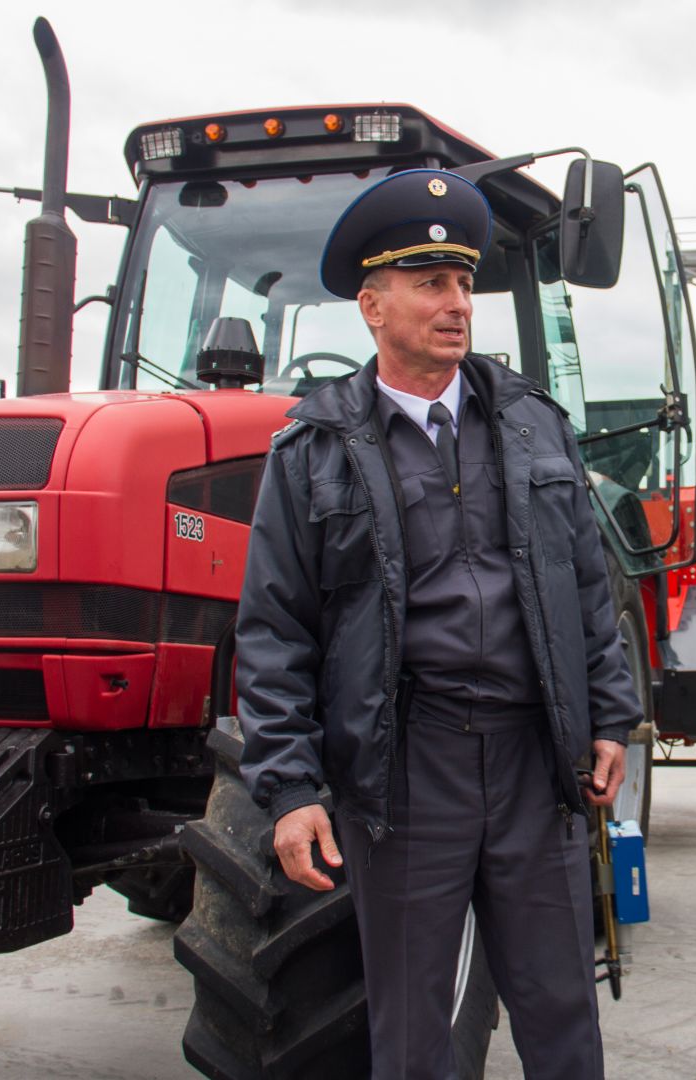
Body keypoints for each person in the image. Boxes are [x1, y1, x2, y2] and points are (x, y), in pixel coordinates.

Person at [235, 168, 642, 1080]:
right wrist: (291, 787)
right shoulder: (314, 451)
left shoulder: (535, 425)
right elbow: (275, 629)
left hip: (536, 760)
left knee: (561, 1012)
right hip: (407, 769)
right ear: (372, 307)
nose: (457, 304)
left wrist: (611, 717)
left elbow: (585, 582)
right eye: (430, 284)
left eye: (463, 282)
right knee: (414, 1033)